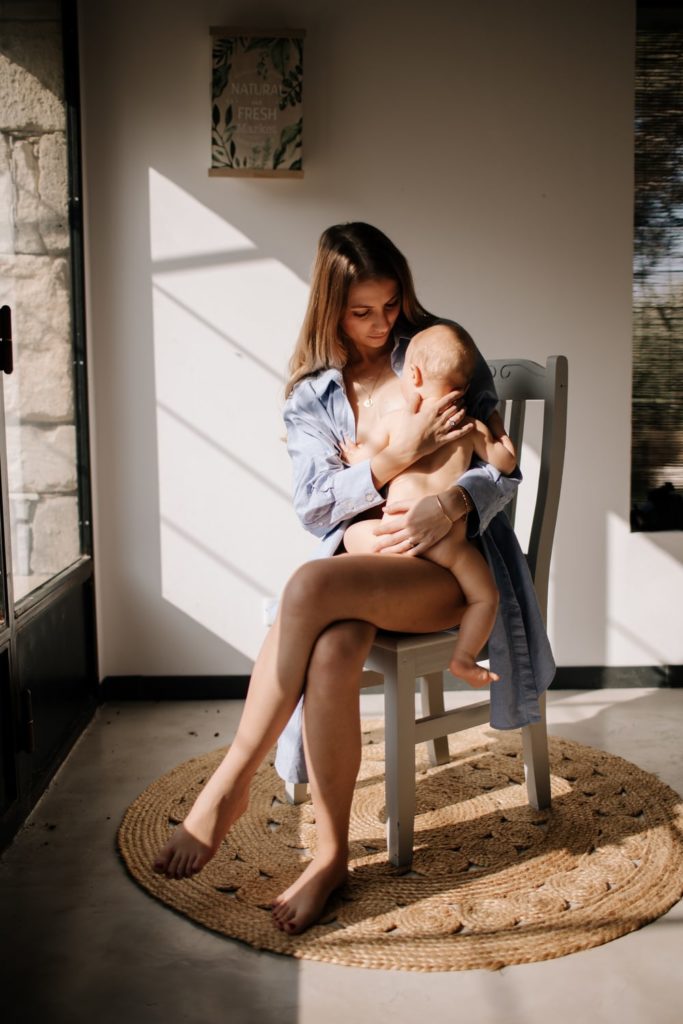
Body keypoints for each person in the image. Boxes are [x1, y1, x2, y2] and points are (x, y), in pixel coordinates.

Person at [153, 223, 554, 938]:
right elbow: (314, 506)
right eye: (359, 312)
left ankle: (232, 782)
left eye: (389, 306)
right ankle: (333, 853)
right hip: (364, 572)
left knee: (308, 586)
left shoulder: (440, 355)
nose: (378, 327)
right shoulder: (314, 397)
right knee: (333, 646)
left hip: (451, 575)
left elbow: (502, 467)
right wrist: (391, 457)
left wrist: (452, 501)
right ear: (329, 308)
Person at [341, 322, 517, 687]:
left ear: (414, 374)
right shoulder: (470, 426)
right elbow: (505, 464)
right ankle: (465, 659)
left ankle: (371, 570)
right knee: (485, 597)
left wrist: (353, 452)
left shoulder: (398, 422)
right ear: (465, 386)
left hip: (394, 538)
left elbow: (364, 462)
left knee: (353, 535)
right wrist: (497, 428)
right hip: (449, 547)